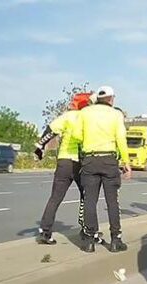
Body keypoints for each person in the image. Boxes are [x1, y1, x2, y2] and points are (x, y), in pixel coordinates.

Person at [71, 85, 131, 253]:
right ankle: (115, 239)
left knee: (90, 200)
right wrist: (125, 162)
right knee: (112, 201)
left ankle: (89, 240)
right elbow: (121, 138)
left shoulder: (85, 113)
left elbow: (76, 135)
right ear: (112, 99)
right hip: (109, 160)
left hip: (90, 159)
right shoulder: (116, 114)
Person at [35, 92, 91, 245]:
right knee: (86, 197)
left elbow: (50, 130)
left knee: (55, 198)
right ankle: (86, 229)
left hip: (64, 161)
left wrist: (40, 146)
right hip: (80, 162)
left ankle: (45, 231)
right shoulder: (87, 118)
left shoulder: (67, 117)